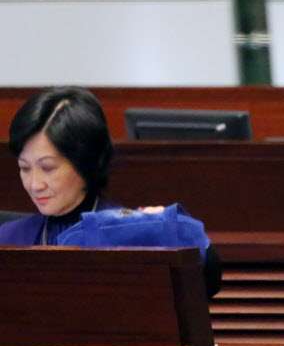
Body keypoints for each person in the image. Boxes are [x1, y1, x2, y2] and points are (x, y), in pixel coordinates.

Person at [0, 87, 221, 298]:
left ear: (85, 163)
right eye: (24, 168)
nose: (34, 184)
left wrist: (168, 229)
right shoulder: (8, 238)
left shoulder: (126, 231)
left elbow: (208, 279)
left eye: (48, 168)